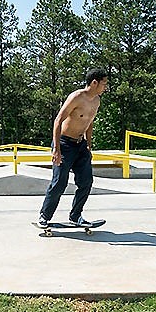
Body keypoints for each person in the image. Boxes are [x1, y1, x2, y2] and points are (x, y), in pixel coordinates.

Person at [38, 69, 109, 228]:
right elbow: (58, 121)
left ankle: (75, 215)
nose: (105, 87)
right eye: (103, 84)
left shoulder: (96, 101)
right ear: (94, 83)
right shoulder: (76, 97)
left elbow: (89, 122)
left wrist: (89, 143)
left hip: (80, 145)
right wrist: (56, 149)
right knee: (60, 182)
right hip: (64, 144)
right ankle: (45, 215)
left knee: (86, 181)